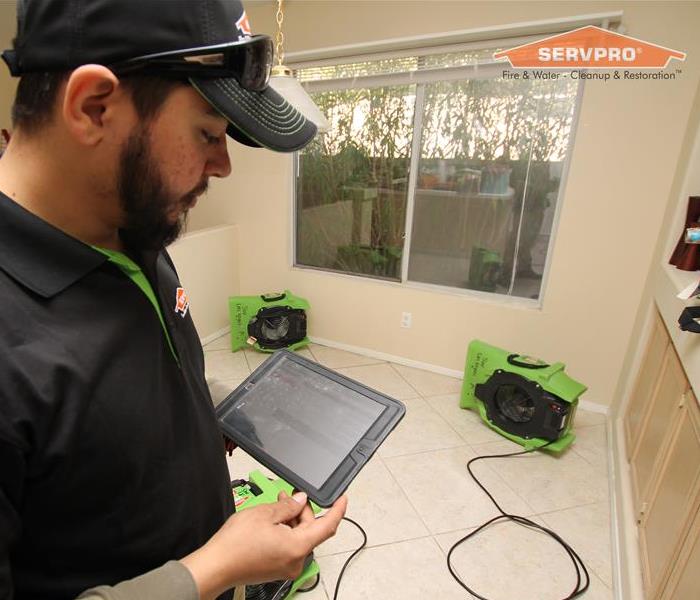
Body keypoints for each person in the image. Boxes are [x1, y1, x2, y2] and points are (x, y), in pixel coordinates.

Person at [0, 1, 346, 599]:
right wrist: (214, 570)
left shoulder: (131, 226)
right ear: (93, 107)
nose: (224, 164)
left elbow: (126, 377)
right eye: (209, 133)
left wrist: (207, 411)